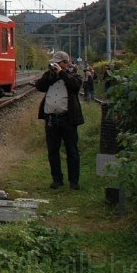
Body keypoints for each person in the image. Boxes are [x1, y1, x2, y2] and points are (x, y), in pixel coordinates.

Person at [35, 51, 84, 190]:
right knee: (53, 151)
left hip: (68, 119)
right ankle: (57, 179)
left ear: (66, 63)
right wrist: (51, 74)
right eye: (54, 63)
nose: (55, 65)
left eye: (58, 63)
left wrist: (62, 73)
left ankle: (74, 181)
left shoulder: (74, 76)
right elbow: (40, 86)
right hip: (51, 119)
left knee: (72, 151)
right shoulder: (50, 76)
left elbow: (74, 86)